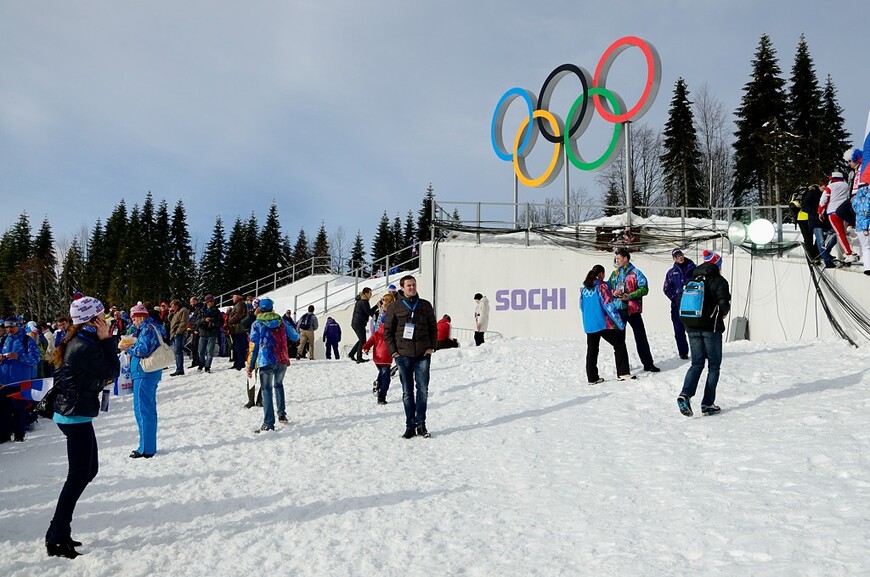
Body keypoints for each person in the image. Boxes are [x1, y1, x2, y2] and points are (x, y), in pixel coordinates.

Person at [45, 296, 120, 558]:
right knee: (77, 476)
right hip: (73, 415)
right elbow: (112, 370)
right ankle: (56, 536)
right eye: (103, 317)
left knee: (89, 470)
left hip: (76, 414)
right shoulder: (84, 345)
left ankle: (58, 530)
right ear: (93, 320)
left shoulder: (82, 340)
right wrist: (107, 341)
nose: (107, 321)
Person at [676, 250, 731, 417]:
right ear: (717, 265)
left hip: (691, 327)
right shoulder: (719, 281)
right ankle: (707, 404)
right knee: (714, 366)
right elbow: (724, 305)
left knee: (696, 364)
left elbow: (680, 300)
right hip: (711, 329)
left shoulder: (693, 278)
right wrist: (720, 314)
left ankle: (685, 394)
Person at [384, 275, 438, 439]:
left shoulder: (425, 305)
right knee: (407, 393)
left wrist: (431, 347)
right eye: (408, 285)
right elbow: (388, 332)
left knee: (422, 391)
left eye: (414, 285)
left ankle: (421, 425)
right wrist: (394, 353)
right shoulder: (394, 306)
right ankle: (410, 426)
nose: (412, 288)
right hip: (403, 355)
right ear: (402, 288)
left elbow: (433, 328)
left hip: (422, 354)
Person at [118, 302, 167, 458]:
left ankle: (145, 448)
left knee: (142, 409)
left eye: (134, 319)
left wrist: (128, 348)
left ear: (140, 317)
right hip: (151, 372)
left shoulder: (146, 329)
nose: (133, 322)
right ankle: (148, 446)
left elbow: (142, 350)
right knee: (148, 409)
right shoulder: (155, 326)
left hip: (143, 373)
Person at [247, 298, 297, 432]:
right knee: (279, 385)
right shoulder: (282, 321)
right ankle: (282, 415)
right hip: (282, 359)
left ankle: (268, 423)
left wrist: (250, 365)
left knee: (266, 390)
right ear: (272, 308)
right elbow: (295, 336)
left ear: (259, 309)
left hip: (265, 360)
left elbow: (254, 346)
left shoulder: (257, 324)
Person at [608, 247, 660, 372]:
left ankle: (648, 364)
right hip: (619, 310)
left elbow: (644, 289)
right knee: (619, 341)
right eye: (616, 259)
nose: (617, 261)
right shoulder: (614, 274)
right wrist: (613, 292)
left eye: (619, 258)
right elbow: (607, 288)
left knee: (640, 337)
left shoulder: (636, 273)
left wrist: (630, 296)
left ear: (625, 258)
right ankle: (623, 369)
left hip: (633, 310)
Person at [580, 264, 633, 384]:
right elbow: (608, 305)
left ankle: (592, 377)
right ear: (601, 274)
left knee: (592, 350)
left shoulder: (584, 289)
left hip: (589, 324)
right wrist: (619, 322)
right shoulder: (601, 287)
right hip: (602, 323)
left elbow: (581, 306)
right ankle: (623, 373)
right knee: (619, 344)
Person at [662, 248, 696, 360]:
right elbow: (666, 288)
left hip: (692, 304)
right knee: (678, 329)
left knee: (694, 329)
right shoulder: (671, 273)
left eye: (680, 255)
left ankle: (698, 351)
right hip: (677, 305)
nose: (680, 257)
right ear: (674, 259)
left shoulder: (693, 268)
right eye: (677, 256)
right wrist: (674, 298)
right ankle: (683, 352)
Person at [818, 171, 859, 263]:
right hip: (845, 212)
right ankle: (849, 252)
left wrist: (820, 212)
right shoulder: (846, 185)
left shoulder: (830, 186)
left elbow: (823, 200)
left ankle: (848, 254)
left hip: (833, 213)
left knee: (840, 234)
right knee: (844, 232)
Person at [362, 322, 392, 405]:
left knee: (382, 373)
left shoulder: (376, 333)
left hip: (377, 359)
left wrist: (365, 348)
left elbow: (369, 342)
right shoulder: (390, 334)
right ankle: (381, 397)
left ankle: (378, 382)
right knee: (386, 379)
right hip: (386, 359)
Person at [348, 287, 377, 363]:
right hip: (358, 323)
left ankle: (351, 354)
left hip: (357, 323)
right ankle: (359, 358)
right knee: (363, 340)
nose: (371, 295)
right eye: (370, 293)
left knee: (361, 339)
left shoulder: (362, 301)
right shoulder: (364, 302)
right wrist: (377, 306)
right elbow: (369, 312)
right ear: (366, 293)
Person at [195, 295, 223, 372]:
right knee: (200, 351)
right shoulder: (201, 310)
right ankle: (201, 363)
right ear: (207, 302)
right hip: (203, 333)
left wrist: (213, 322)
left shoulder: (217, 311)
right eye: (210, 301)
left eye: (213, 301)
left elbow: (220, 322)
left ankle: (207, 366)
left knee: (210, 351)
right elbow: (196, 321)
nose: (212, 302)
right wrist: (204, 320)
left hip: (212, 333)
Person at [227, 293, 249, 371]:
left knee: (239, 347)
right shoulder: (238, 305)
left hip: (239, 329)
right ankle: (237, 362)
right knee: (236, 346)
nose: (232, 299)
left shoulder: (240, 304)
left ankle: (240, 363)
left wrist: (230, 320)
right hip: (235, 329)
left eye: (233, 297)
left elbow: (238, 315)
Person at [852, 181, 870, 275]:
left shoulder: (856, 198)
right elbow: (866, 211)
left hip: (859, 224)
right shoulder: (868, 196)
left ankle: (867, 267)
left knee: (865, 247)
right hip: (867, 225)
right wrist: (865, 228)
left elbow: (856, 210)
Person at [168, 299, 189, 376]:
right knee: (176, 352)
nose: (172, 308)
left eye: (173, 306)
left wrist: (178, 332)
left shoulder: (183, 311)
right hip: (174, 333)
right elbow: (171, 321)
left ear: (177, 305)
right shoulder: (176, 312)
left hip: (179, 334)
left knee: (178, 351)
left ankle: (180, 369)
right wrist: (170, 314)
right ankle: (178, 368)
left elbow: (184, 322)